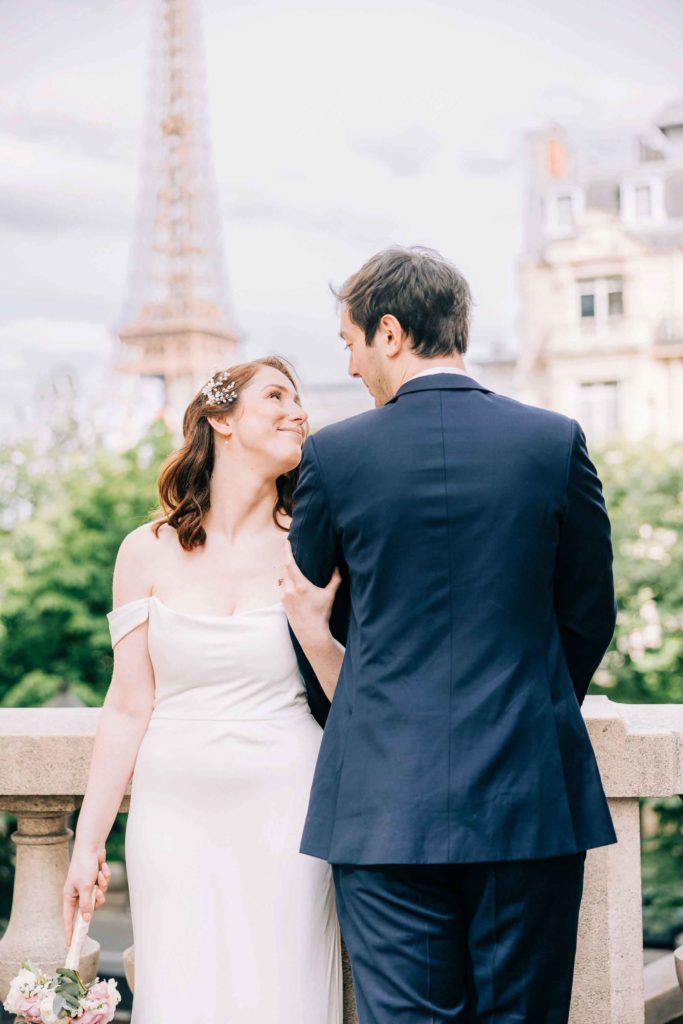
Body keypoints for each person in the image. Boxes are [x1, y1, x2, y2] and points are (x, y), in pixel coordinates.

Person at [284, 246, 618, 1024]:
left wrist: (364, 713)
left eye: (350, 342)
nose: (352, 362)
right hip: (528, 798)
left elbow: (309, 620)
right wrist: (529, 702)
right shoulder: (552, 440)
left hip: (379, 805)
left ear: (390, 333)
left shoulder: (331, 456)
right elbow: (588, 613)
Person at [62, 357, 343, 1024]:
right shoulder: (145, 551)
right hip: (173, 819)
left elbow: (348, 696)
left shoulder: (313, 548)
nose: (296, 411)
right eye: (275, 395)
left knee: (284, 997)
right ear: (220, 419)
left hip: (289, 813)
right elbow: (129, 704)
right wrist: (87, 842)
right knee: (182, 994)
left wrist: (314, 627)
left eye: (298, 399)